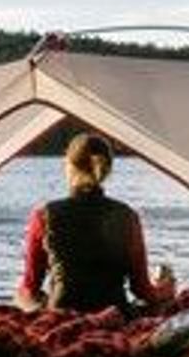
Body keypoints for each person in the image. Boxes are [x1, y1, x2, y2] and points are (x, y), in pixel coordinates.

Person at [15, 131, 175, 315]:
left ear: (69, 166)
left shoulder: (44, 216)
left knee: (22, 296)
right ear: (107, 170)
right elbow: (142, 290)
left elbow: (30, 287)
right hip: (114, 313)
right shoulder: (128, 216)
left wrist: (34, 303)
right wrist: (166, 289)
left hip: (62, 314)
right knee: (160, 297)